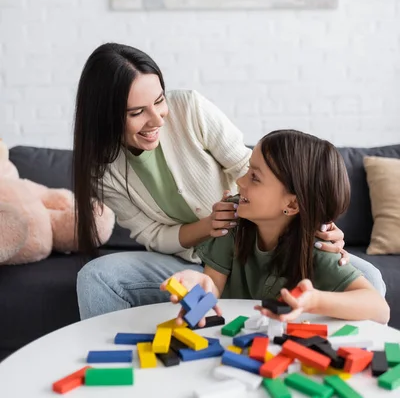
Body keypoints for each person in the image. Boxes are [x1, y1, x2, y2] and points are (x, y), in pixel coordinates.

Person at [73, 43, 386, 320]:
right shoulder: (230, 225)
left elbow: (253, 167)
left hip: (273, 239)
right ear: (108, 117)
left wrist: (322, 224)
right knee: (96, 276)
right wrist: (197, 288)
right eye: (138, 112)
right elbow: (196, 274)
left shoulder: (191, 111)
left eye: (159, 101)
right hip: (193, 260)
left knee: (369, 280)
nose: (157, 120)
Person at [161, 130, 390, 326]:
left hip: (285, 343)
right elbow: (212, 287)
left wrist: (314, 300)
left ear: (292, 204)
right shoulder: (233, 218)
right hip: (235, 335)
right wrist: (197, 290)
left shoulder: (317, 245)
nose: (240, 181)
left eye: (255, 177)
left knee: (370, 275)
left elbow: (380, 309)